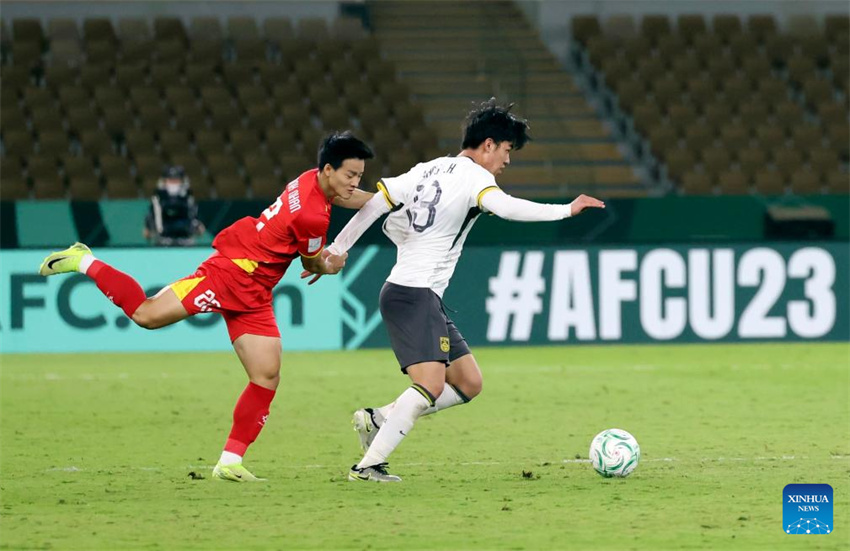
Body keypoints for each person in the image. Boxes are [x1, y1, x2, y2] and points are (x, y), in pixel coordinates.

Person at [38, 132, 375, 482]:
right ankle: (84, 261)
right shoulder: (312, 216)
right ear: (328, 170)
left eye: (360, 177)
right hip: (231, 274)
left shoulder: (311, 180)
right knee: (146, 315)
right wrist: (332, 264)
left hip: (255, 290)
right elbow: (313, 265)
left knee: (266, 375)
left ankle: (230, 461)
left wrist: (386, 199)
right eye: (350, 175)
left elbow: (348, 199)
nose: (355, 183)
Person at [302, 99, 605, 482]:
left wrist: (337, 249)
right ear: (490, 144)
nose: (507, 161)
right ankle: (368, 467)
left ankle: (377, 419)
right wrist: (564, 210)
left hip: (411, 292)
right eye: (507, 150)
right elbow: (507, 208)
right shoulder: (476, 178)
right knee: (429, 384)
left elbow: (375, 205)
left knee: (467, 382)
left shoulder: (425, 170)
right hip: (416, 293)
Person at [143, 165, 206, 247]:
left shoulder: (188, 197)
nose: (173, 183)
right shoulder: (158, 197)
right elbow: (152, 215)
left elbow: (194, 216)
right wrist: (149, 227)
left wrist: (197, 226)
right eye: (170, 180)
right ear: (164, 181)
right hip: (163, 239)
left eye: (176, 180)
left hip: (185, 239)